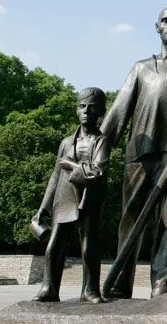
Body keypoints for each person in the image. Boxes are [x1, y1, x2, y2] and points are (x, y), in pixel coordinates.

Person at [100, 7, 167, 298]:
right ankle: (120, 281)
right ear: (157, 27)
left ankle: (163, 282)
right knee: (129, 218)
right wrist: (98, 148)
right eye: (166, 20)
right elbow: (119, 111)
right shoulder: (141, 68)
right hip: (138, 154)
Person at [31, 87, 110, 303]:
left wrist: (71, 165)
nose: (86, 111)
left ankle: (90, 290)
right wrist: (43, 208)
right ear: (77, 110)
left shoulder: (101, 141)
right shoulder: (66, 142)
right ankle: (49, 288)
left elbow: (98, 172)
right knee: (54, 245)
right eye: (82, 107)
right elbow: (55, 177)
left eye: (92, 108)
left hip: (89, 199)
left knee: (89, 246)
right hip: (64, 197)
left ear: (100, 112)